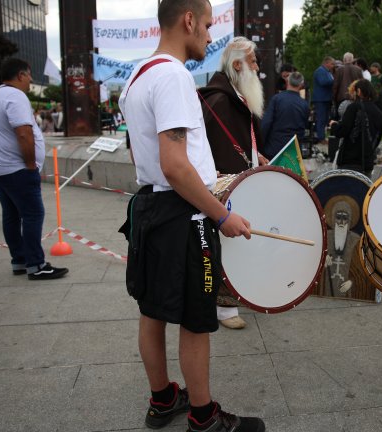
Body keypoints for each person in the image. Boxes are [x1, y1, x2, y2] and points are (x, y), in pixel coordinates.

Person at [117, 1, 265, 430]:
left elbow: (153, 158)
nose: (207, 35)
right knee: (197, 320)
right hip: (184, 216)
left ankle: (163, 399)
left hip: (150, 207)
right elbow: (175, 165)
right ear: (187, 21)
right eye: (206, 25)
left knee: (153, 311)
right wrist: (222, 216)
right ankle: (205, 418)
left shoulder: (138, 76)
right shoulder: (174, 76)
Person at [198, 36, 268, 330]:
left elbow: (239, 140)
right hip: (225, 187)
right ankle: (224, 308)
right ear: (237, 65)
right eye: (252, 62)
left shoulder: (236, 97)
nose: (257, 68)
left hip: (241, 177)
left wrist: (256, 155)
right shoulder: (220, 100)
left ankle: (236, 295)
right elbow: (215, 150)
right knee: (227, 243)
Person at [0, 58, 68, 281]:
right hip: (16, 169)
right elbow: (24, 132)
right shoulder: (15, 96)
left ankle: (19, 260)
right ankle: (36, 264)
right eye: (29, 75)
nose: (31, 80)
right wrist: (31, 166)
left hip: (0, 168)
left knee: (11, 215)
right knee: (33, 214)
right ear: (20, 75)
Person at [329, 79, 382, 176]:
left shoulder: (354, 108)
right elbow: (377, 138)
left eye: (353, 92)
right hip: (367, 162)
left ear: (359, 91)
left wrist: (333, 125)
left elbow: (342, 131)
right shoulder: (379, 112)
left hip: (350, 161)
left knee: (347, 190)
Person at [260, 71, 309, 159]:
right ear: (301, 85)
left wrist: (261, 143)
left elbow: (266, 123)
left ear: (287, 81)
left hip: (274, 148)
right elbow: (304, 127)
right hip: (293, 151)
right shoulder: (304, 105)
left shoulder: (277, 99)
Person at [332, 52, 363, 118]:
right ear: (352, 60)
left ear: (344, 60)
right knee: (354, 118)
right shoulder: (359, 70)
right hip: (355, 98)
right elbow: (362, 84)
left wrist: (333, 97)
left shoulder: (339, 70)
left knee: (341, 118)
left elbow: (335, 85)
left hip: (341, 98)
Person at [311, 56, 334, 144]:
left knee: (324, 119)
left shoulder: (327, 72)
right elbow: (323, 82)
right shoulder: (320, 71)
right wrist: (334, 80)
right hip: (321, 99)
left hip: (326, 99)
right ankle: (320, 138)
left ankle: (322, 136)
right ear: (326, 63)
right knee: (321, 118)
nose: (333, 66)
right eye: (332, 64)